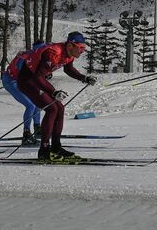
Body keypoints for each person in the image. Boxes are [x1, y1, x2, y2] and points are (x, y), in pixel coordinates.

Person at [16, 32, 97, 160]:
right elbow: (37, 76)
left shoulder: (69, 54)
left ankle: (56, 147)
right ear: (70, 45)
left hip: (38, 80)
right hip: (28, 81)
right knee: (52, 109)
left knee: (60, 108)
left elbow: (68, 69)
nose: (82, 51)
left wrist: (84, 78)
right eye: (80, 48)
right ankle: (44, 150)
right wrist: (53, 91)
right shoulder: (53, 53)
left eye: (84, 48)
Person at [3, 41, 46, 146]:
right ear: (37, 50)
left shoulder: (35, 56)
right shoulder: (26, 58)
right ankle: (26, 134)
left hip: (19, 81)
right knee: (30, 105)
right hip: (11, 81)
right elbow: (24, 72)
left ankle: (37, 128)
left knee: (37, 102)